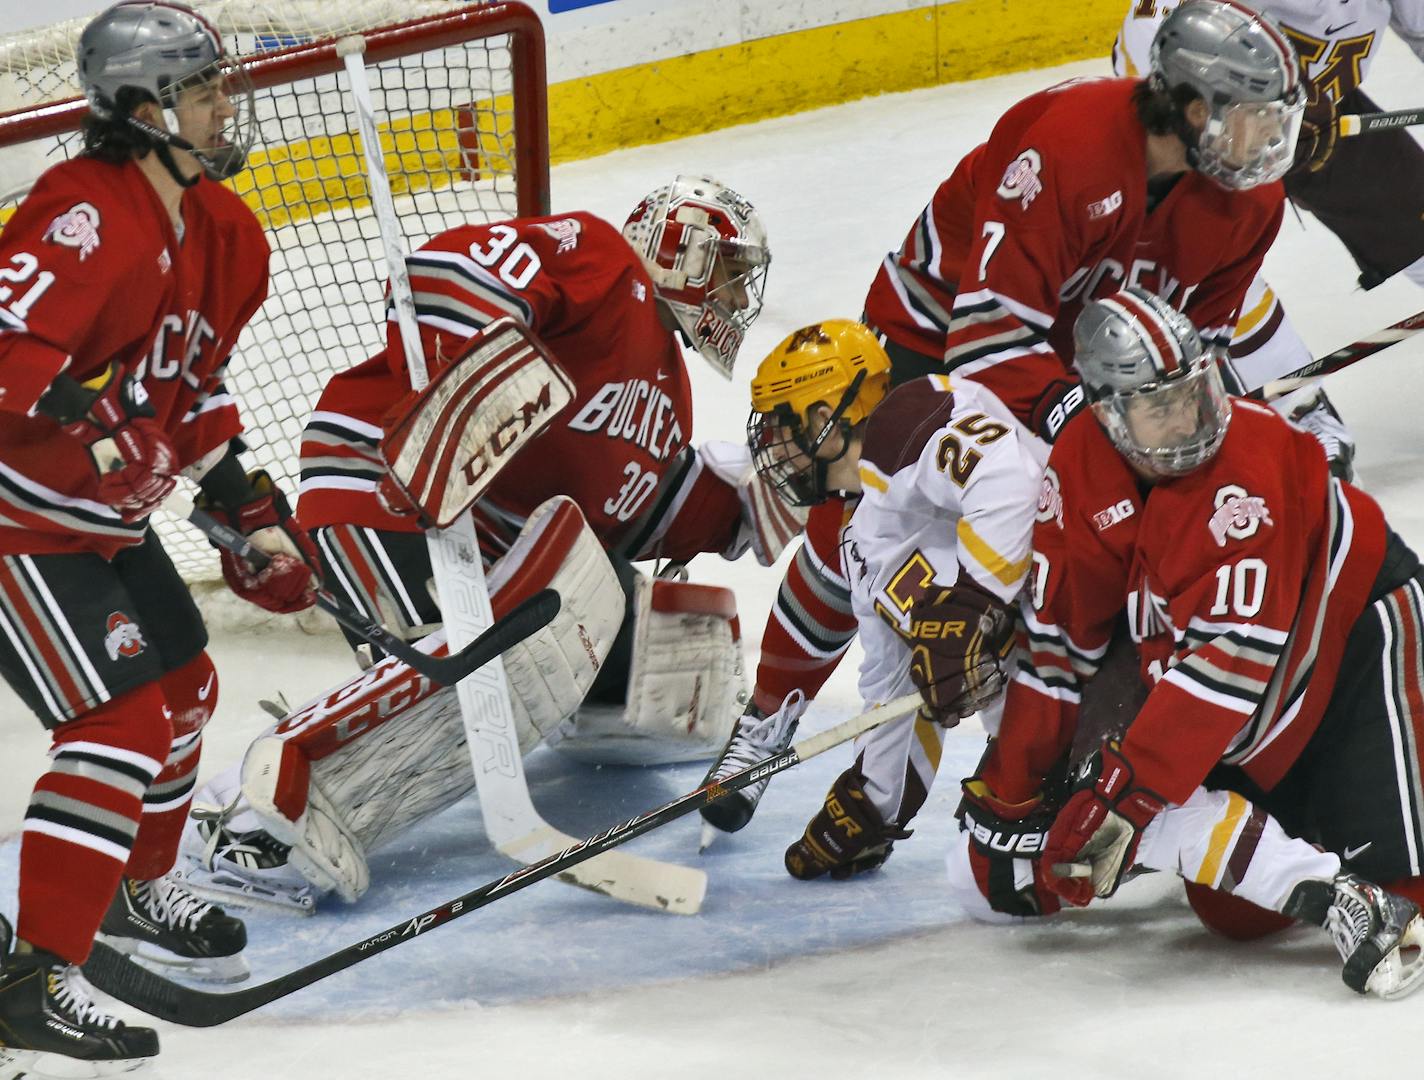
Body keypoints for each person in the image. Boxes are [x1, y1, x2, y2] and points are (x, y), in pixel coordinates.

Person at [700, 0, 1307, 870]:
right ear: (1193, 107)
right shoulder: (1066, 142)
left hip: (1072, 358)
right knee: (860, 527)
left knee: (1074, 542)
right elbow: (986, 346)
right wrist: (1087, 424)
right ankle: (767, 721)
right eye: (1252, 119)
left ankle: (1021, 749)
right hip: (936, 330)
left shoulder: (1249, 206)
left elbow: (1183, 344)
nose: (1267, 145)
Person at [175, 175, 800, 911]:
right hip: (382, 481)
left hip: (487, 542)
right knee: (457, 691)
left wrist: (752, 500)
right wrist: (476, 378)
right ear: (680, 248)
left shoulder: (668, 392)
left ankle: (597, 710)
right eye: (727, 272)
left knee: (611, 617)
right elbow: (443, 278)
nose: (734, 297)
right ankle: (243, 818)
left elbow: (631, 516)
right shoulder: (602, 262)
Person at [0, 2, 323, 1075]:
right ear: (143, 111)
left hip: (100, 521)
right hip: (19, 523)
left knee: (185, 690)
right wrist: (97, 433)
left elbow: (194, 391)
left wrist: (249, 515)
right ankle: (32, 981)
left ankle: (131, 889)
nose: (225, 105)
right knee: (121, 725)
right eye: (204, 89)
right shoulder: (80, 218)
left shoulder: (226, 235)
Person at [951, 285, 1424, 999]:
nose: (1189, 418)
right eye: (1159, 405)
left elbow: (1226, 669)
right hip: (1249, 699)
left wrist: (1122, 795)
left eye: (1195, 391)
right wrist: (1013, 790)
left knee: (1406, 891)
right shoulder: (1078, 465)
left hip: (1357, 638)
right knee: (1231, 916)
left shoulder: (1248, 468)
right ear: (1107, 411)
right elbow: (1056, 648)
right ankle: (1336, 846)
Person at [1113, 0, 1424, 479]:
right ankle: (1302, 410)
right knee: (1211, 270)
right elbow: (1148, 54)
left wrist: (1288, 115)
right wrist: (1228, 126)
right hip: (1203, 125)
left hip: (1319, 115)